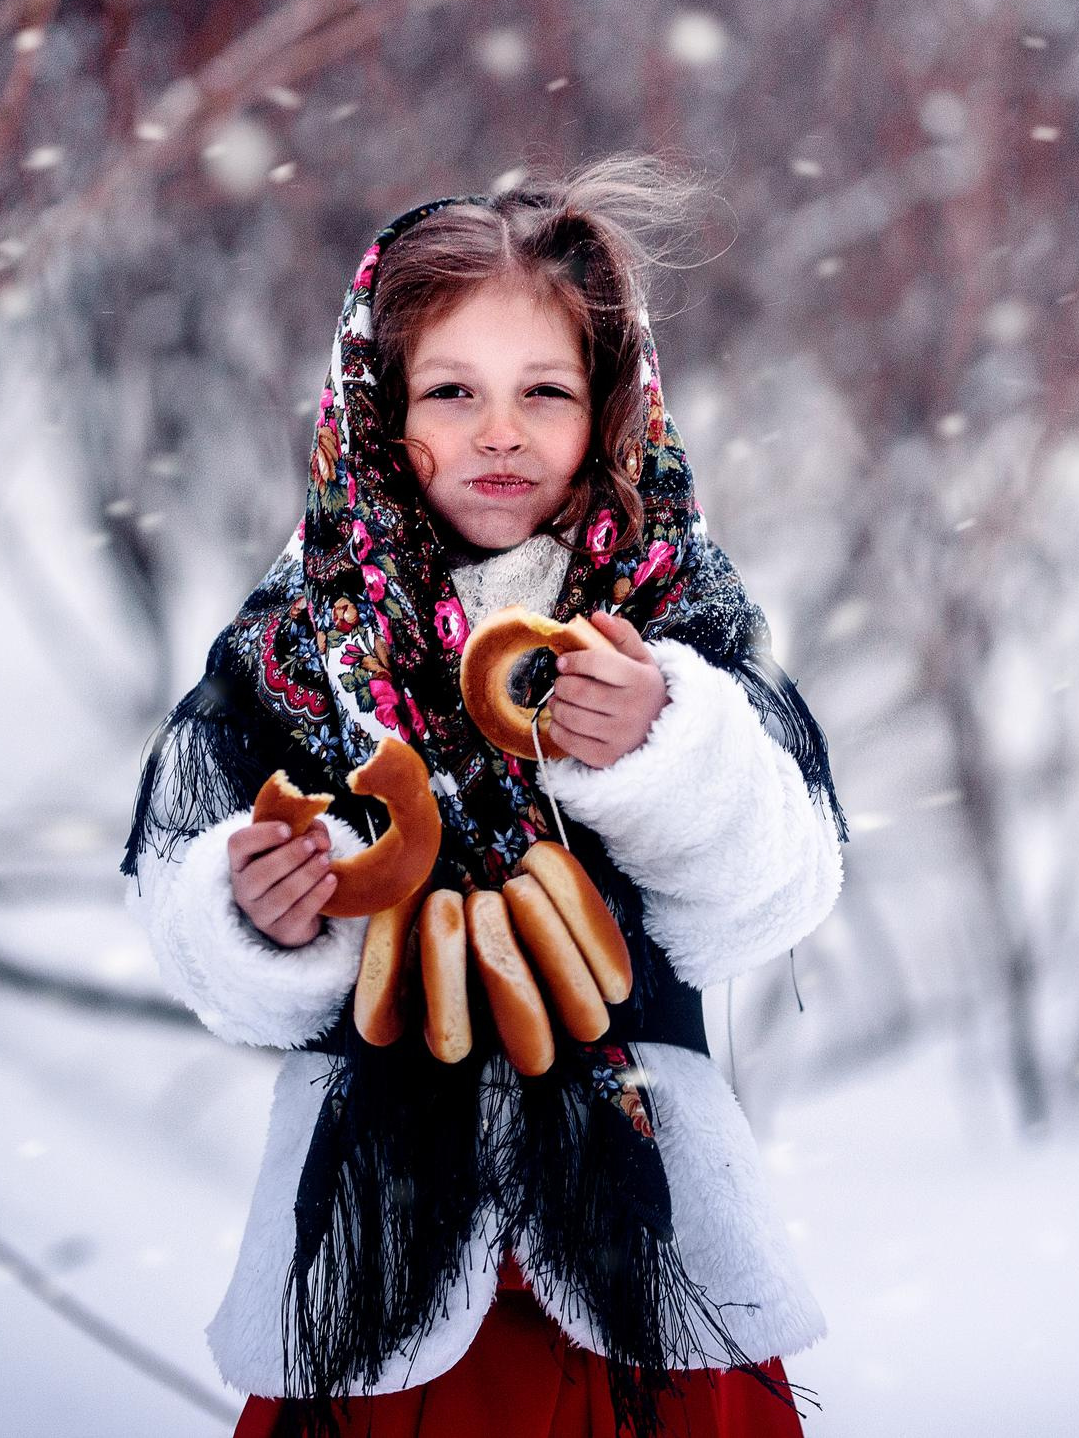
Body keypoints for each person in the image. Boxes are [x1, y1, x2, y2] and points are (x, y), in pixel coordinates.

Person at [118, 155, 850, 1438]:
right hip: (380, 1246)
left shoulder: (664, 612)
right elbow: (192, 883)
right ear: (373, 407)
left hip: (646, 1229)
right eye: (450, 391)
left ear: (612, 408)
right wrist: (259, 912)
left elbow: (778, 887)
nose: (497, 430)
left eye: (544, 392)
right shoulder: (304, 636)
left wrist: (666, 749)